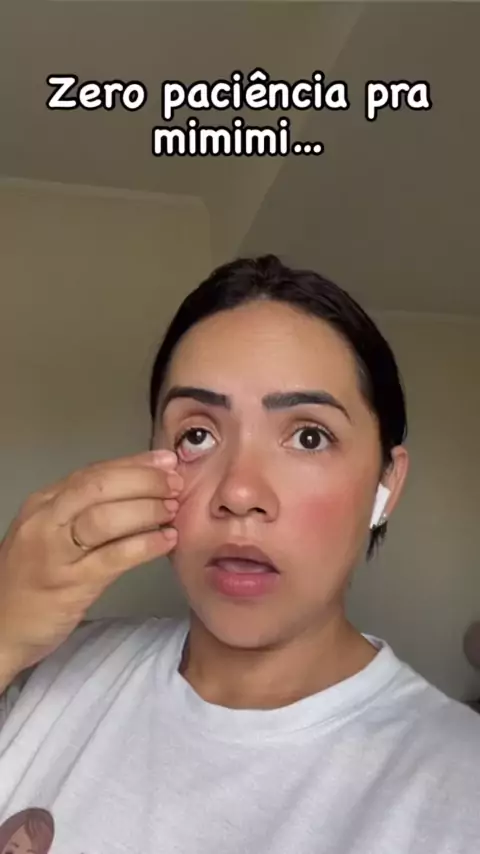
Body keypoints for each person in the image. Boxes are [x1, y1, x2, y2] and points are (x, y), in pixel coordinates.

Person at [0, 254, 479, 853]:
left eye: (309, 436)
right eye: (197, 435)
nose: (239, 493)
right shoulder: (53, 670)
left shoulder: (460, 787)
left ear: (388, 483)